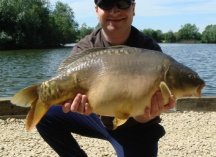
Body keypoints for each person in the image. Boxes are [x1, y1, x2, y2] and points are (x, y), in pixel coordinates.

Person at [36, 0, 175, 156]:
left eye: (122, 3)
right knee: (45, 114)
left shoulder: (149, 51)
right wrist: (75, 104)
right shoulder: (86, 47)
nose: (114, 10)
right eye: (106, 3)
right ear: (97, 10)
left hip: (137, 128)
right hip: (97, 116)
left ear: (133, 8)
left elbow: (147, 113)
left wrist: (144, 116)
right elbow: (65, 81)